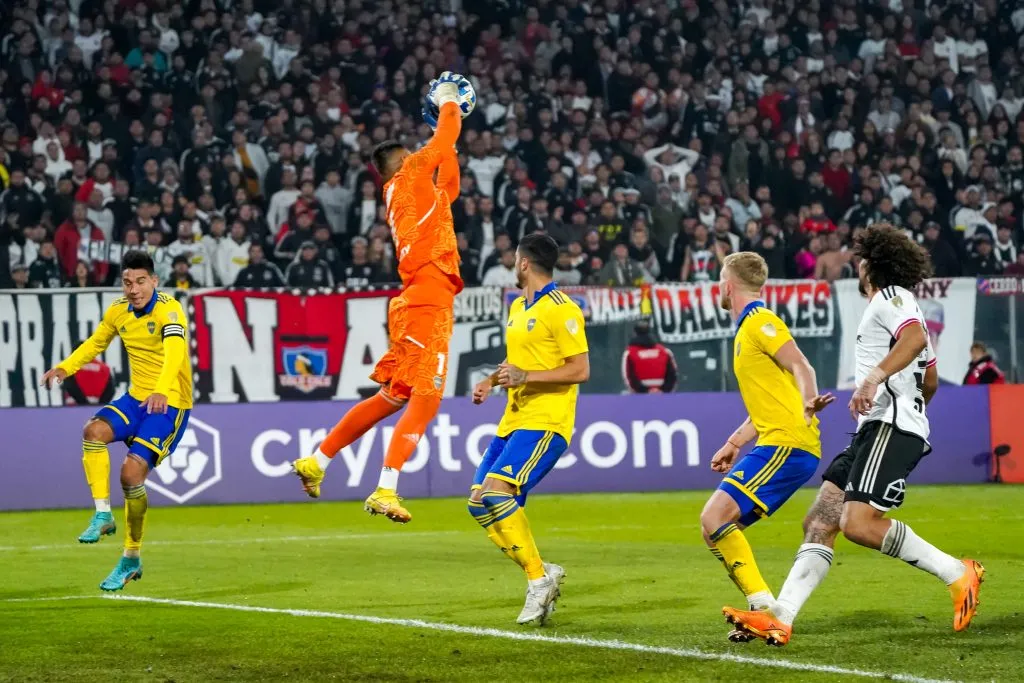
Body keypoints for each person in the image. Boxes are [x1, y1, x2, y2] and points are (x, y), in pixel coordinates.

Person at [726, 225, 984, 645]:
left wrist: (878, 386)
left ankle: (957, 572)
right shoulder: (897, 306)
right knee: (820, 520)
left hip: (888, 426)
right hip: (877, 427)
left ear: (873, 266)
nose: (858, 265)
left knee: (858, 524)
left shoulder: (891, 296)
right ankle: (780, 617)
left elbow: (915, 338)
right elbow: (931, 380)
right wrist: (907, 406)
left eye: (862, 259)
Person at [291, 73, 469, 522]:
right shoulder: (410, 174)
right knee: (426, 398)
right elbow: (446, 136)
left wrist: (445, 140)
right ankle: (386, 488)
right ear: (404, 162)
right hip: (428, 300)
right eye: (415, 155)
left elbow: (450, 184)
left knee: (393, 397)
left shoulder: (411, 194)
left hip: (416, 298)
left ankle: (318, 460)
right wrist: (449, 101)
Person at [40, 251, 193, 592]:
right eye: (127, 282)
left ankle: (131, 558)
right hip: (137, 398)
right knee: (93, 431)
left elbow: (174, 353)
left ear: (154, 281)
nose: (133, 289)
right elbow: (96, 343)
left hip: (170, 403)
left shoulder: (169, 310)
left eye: (140, 281)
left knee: (130, 475)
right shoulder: (118, 311)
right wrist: (65, 367)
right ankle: (103, 514)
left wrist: (162, 389)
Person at [702, 251, 834, 642]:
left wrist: (809, 400)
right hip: (778, 441)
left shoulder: (761, 321)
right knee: (715, 531)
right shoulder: (747, 328)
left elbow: (802, 366)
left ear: (728, 286)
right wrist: (734, 443)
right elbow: (768, 403)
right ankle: (762, 613)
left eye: (720, 279)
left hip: (788, 444)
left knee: (713, 516)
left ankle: (765, 611)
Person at [469, 233, 589, 625]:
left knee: (497, 493)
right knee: (478, 503)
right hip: (513, 420)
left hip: (547, 420)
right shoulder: (519, 306)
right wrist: (491, 380)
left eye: (514, 260)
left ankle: (537, 580)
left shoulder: (563, 309)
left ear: (524, 263)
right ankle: (543, 572)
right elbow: (517, 362)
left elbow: (580, 369)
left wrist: (526, 376)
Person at [622, 321, 677, 393]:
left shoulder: (629, 352)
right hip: (662, 395)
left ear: (635, 333)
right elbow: (672, 375)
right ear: (650, 332)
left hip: (639, 395)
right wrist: (663, 391)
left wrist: (644, 391)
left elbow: (628, 376)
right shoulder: (665, 351)